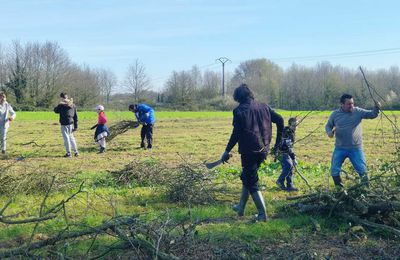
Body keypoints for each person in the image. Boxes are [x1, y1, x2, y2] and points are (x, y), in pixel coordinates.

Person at [220, 84, 284, 221]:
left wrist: (226, 151)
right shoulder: (264, 106)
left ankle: (262, 214)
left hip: (249, 151)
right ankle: (240, 207)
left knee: (252, 181)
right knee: (247, 176)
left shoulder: (239, 111)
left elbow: (236, 134)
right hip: (263, 150)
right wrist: (276, 145)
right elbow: (281, 120)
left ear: (238, 97)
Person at [325, 94, 380, 188]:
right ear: (342, 104)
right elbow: (328, 125)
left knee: (362, 171)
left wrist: (377, 108)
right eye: (349, 104)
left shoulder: (358, 111)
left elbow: (372, 114)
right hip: (340, 148)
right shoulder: (335, 114)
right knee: (334, 170)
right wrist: (329, 132)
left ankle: (366, 190)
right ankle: (340, 191)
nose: (352, 106)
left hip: (356, 148)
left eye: (352, 103)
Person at [275, 117, 298, 192]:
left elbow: (290, 146)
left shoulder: (291, 131)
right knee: (289, 165)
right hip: (281, 152)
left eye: (296, 125)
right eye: (294, 125)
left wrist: (293, 158)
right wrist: (294, 158)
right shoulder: (287, 132)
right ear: (289, 125)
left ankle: (289, 185)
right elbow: (288, 147)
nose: (295, 127)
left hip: (286, 152)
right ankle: (280, 181)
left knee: (290, 167)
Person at [54, 93, 79, 157]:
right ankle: (76, 152)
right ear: (67, 97)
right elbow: (75, 116)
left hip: (64, 124)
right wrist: (76, 126)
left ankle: (68, 153)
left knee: (66, 138)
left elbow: (55, 111)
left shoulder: (61, 105)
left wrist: (59, 104)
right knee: (71, 138)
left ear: (62, 98)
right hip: (71, 123)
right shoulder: (73, 105)